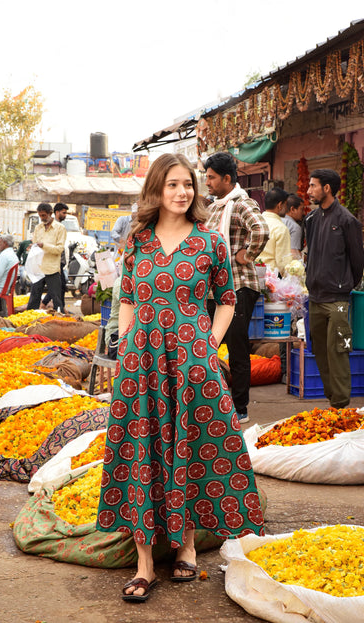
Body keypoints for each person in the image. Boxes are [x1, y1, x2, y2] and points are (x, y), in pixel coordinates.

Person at [96, 153, 264, 602]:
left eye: (188, 184)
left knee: (187, 443)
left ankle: (187, 545)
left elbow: (227, 299)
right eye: (172, 184)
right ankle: (145, 562)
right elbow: (127, 296)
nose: (182, 191)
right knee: (142, 448)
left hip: (193, 360)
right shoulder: (138, 240)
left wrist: (210, 343)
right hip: (143, 362)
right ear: (157, 188)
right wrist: (128, 345)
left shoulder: (210, 242)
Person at [204, 152, 269, 424]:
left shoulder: (241, 203)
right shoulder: (215, 206)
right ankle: (217, 401)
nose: (206, 182)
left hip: (239, 285)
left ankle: (240, 407)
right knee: (209, 347)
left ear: (227, 178)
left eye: (211, 177)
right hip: (213, 289)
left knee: (237, 348)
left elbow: (261, 230)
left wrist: (247, 254)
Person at [306, 168, 364, 409]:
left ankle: (340, 404)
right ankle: (333, 400)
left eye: (313, 186)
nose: (309, 190)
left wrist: (345, 286)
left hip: (338, 300)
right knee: (320, 351)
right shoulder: (311, 219)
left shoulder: (347, 221)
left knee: (339, 351)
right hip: (315, 298)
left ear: (326, 189)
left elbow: (357, 260)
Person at [26, 203, 67, 311]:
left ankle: (60, 322)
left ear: (50, 213)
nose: (42, 218)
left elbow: (59, 249)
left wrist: (44, 246)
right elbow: (35, 244)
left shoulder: (60, 228)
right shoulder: (38, 228)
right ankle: (30, 322)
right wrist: (32, 247)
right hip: (38, 269)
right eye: (40, 216)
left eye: (44, 216)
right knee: (34, 299)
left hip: (52, 268)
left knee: (57, 300)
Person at [256, 188, 292, 275]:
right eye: (286, 205)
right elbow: (283, 262)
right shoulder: (280, 228)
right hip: (271, 278)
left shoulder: (256, 222)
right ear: (280, 205)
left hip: (253, 275)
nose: (287, 209)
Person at [41, 203, 68, 311]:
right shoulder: (52, 226)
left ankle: (60, 308)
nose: (65, 215)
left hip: (58, 261)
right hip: (53, 262)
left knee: (60, 286)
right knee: (57, 286)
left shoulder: (60, 226)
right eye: (63, 213)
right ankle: (46, 304)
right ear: (56, 213)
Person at [282, 194, 305, 260]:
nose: (303, 213)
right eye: (301, 209)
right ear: (292, 209)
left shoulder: (277, 221)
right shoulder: (294, 227)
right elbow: (294, 254)